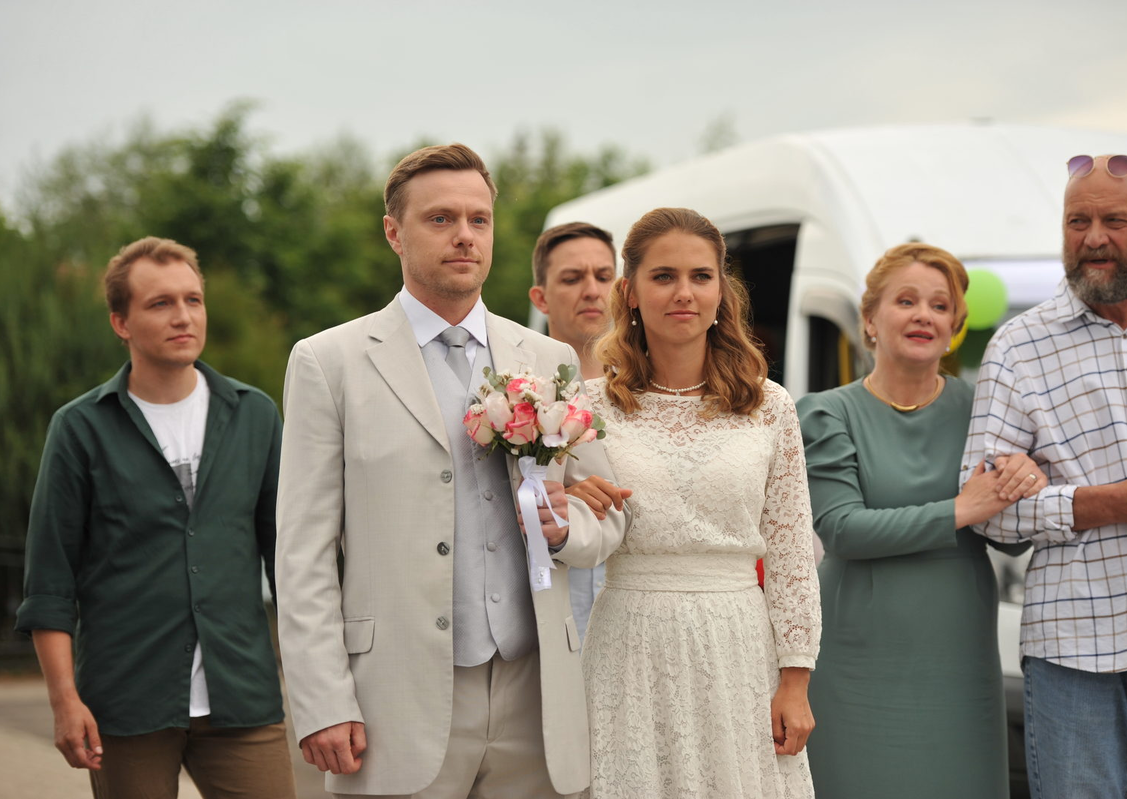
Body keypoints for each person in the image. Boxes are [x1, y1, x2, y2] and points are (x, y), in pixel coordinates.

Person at [274, 143, 627, 798]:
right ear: (393, 232)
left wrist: (564, 529)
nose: (464, 235)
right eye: (440, 219)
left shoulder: (546, 358)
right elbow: (303, 551)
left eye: (478, 219)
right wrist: (322, 699)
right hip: (396, 699)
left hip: (537, 695)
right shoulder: (330, 362)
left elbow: (606, 516)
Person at [15, 237, 295, 798]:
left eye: (193, 300)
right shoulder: (80, 428)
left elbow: (289, 561)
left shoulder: (255, 415)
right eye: (160, 303)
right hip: (125, 703)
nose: (183, 316)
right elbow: (49, 580)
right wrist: (64, 701)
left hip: (242, 696)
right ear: (121, 322)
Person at [963, 154, 1127, 798]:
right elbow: (986, 512)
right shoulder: (1017, 348)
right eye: (1077, 221)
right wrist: (1107, 502)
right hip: (1076, 651)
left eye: (1115, 221)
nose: (1093, 238)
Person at [582, 207, 819, 798]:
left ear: (721, 292)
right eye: (663, 276)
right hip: (628, 642)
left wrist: (795, 680)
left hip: (738, 645)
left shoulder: (769, 406)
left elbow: (791, 550)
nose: (683, 292)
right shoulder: (587, 407)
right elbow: (566, 533)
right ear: (630, 293)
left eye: (700, 276)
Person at [796, 243, 1047, 798]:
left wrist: (1025, 481)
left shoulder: (984, 409)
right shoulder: (826, 413)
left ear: (954, 326)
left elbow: (1012, 541)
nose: (923, 316)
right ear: (870, 319)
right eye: (906, 301)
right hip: (856, 648)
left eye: (940, 306)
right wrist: (963, 508)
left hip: (956, 649)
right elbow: (843, 529)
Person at [529, 221, 628, 642]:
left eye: (603, 276)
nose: (591, 290)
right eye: (572, 278)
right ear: (541, 298)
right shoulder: (517, 395)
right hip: (549, 614)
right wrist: (562, 497)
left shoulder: (653, 392)